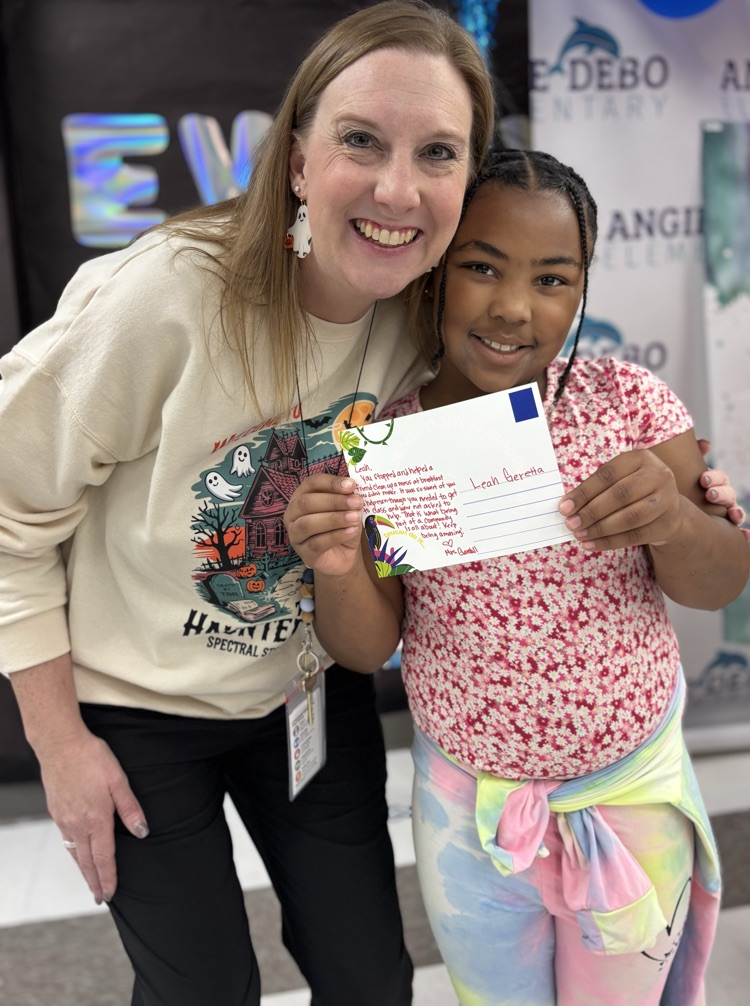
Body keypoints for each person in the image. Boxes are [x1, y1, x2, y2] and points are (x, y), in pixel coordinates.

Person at [0, 4, 498, 1004]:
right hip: (135, 708)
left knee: (370, 980)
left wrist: (669, 477)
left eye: (437, 152)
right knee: (206, 992)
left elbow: (535, 422)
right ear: (298, 158)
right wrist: (60, 747)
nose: (399, 188)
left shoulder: (430, 316)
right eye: (362, 140)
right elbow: (6, 515)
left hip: (305, 693)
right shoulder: (164, 299)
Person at [283, 148, 750, 1006]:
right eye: (482, 267)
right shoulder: (396, 443)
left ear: (581, 292)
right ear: (434, 275)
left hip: (630, 797)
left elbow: (717, 584)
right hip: (470, 816)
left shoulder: (627, 407)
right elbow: (368, 644)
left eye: (552, 279)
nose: (512, 307)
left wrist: (673, 518)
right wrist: (337, 565)